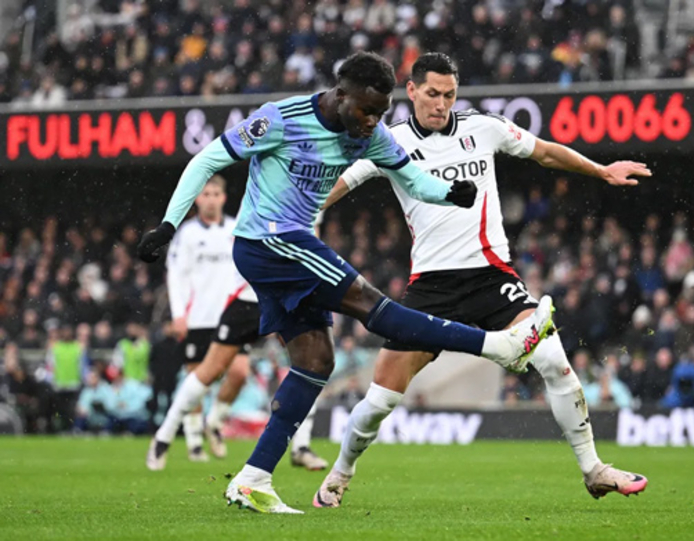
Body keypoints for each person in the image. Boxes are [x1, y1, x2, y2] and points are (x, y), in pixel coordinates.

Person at [136, 51, 554, 514]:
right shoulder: (281, 119)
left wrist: (449, 194)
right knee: (371, 305)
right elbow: (207, 160)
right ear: (340, 95)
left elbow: (413, 180)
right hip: (268, 241)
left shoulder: (368, 134)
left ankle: (252, 479)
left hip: (287, 249)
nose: (372, 120)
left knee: (316, 360)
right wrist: (169, 226)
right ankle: (498, 346)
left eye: (381, 112)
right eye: (365, 109)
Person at [315, 53, 650, 509]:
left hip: (491, 278)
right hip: (430, 287)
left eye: (449, 95)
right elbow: (340, 183)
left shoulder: (483, 129)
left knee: (553, 358)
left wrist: (600, 170)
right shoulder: (387, 142)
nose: (441, 104)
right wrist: (298, 215)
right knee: (379, 400)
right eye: (432, 93)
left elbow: (546, 151)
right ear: (411, 91)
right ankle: (340, 473)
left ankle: (594, 470)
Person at [147, 273, 328, 472]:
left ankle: (301, 446)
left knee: (309, 362)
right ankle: (169, 437)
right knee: (208, 372)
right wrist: (179, 312)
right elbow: (177, 270)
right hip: (232, 304)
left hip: (283, 295)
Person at [162, 175, 247, 462]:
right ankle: (195, 441)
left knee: (240, 372)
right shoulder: (186, 234)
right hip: (198, 318)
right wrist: (178, 315)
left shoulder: (237, 229)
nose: (210, 199)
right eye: (205, 193)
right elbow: (176, 275)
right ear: (198, 198)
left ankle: (216, 423)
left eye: (215, 194)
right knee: (196, 378)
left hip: (233, 315)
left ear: (223, 198)